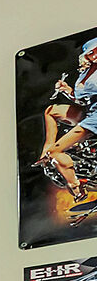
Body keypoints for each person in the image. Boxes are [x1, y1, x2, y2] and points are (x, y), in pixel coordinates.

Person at [39, 37, 97, 205]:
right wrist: (66, 90)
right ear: (86, 56)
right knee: (51, 111)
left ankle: (77, 188)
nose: (95, 55)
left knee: (55, 153)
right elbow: (80, 99)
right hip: (89, 110)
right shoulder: (85, 72)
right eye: (91, 53)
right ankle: (46, 150)